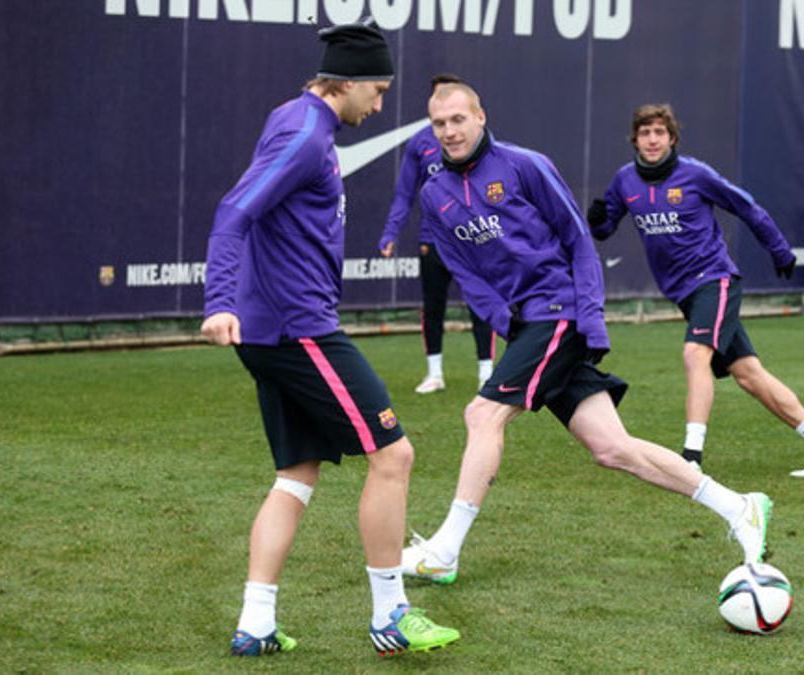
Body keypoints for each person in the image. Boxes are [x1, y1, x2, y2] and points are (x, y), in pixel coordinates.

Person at [397, 82, 772, 587]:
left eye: (458, 120)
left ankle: (446, 549)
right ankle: (739, 506)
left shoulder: (525, 165)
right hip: (528, 325)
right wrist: (510, 327)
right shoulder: (433, 192)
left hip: (562, 311)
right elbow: (467, 276)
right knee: (612, 449)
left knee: (482, 413)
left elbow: (577, 240)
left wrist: (589, 319)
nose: (449, 132)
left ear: (480, 117)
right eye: (439, 124)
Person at [201, 21, 459, 658]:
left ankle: (256, 622)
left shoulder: (296, 120)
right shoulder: (303, 134)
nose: (379, 105)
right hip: (298, 330)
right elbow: (235, 211)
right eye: (376, 90)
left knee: (296, 474)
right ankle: (391, 614)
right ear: (345, 82)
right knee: (394, 456)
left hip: (277, 330)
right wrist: (219, 301)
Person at [586, 103, 804, 478]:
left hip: (714, 278)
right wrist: (597, 219)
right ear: (635, 139)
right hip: (682, 293)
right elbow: (604, 226)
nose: (652, 139)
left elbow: (747, 208)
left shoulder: (695, 174)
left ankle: (691, 457)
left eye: (659, 132)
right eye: (645, 133)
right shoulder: (625, 180)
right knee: (749, 375)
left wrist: (779, 249)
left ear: (672, 138)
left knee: (696, 354)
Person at [378, 74, 495, 394]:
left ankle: (487, 373)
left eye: (454, 111)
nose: (448, 129)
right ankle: (434, 373)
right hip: (433, 242)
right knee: (432, 306)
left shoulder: (480, 142)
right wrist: (391, 233)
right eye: (438, 114)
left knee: (482, 304)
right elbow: (404, 194)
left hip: (474, 241)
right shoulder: (420, 143)